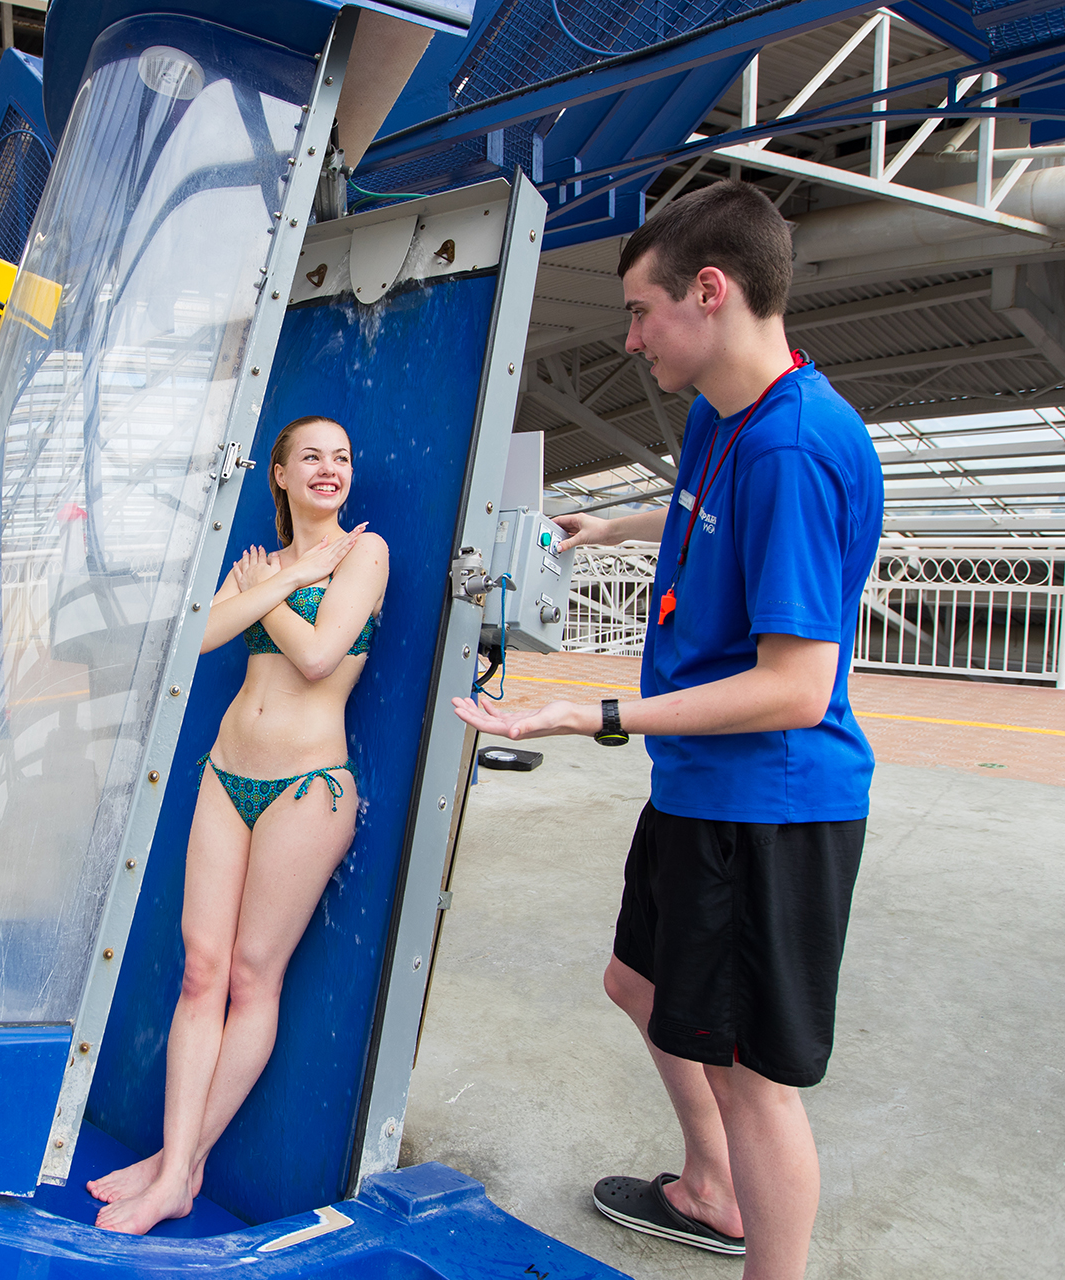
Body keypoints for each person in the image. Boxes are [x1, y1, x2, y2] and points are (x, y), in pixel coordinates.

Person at [453, 182, 883, 1280]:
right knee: (636, 984)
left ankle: (759, 1246)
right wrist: (613, 524)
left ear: (711, 289)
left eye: (643, 310)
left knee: (753, 1074)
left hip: (770, 803)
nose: (632, 334)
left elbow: (793, 687)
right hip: (699, 785)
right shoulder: (723, 414)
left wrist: (588, 710)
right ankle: (709, 1186)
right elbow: (704, 505)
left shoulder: (797, 448)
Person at [88, 416, 388, 1235]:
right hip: (226, 775)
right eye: (312, 458)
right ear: (281, 477)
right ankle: (169, 1159)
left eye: (343, 456)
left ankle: (181, 1171)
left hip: (306, 784)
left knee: (253, 979)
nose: (331, 469)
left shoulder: (363, 553)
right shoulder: (267, 562)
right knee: (200, 972)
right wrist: (285, 579)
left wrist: (284, 584)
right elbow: (199, 639)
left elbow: (323, 658)